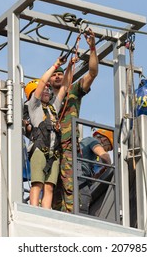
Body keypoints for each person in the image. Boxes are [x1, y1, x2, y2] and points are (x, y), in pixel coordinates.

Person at [51, 28, 99, 213]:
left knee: (69, 183)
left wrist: (92, 47)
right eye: (54, 74)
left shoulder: (73, 92)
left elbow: (92, 72)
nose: (57, 76)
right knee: (52, 185)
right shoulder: (45, 99)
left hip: (68, 145)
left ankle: (69, 214)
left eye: (60, 74)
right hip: (51, 147)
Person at [24, 56, 73, 208]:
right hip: (39, 149)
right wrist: (55, 65)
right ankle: (34, 208)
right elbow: (43, 83)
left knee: (49, 187)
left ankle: (46, 211)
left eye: (47, 90)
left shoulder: (53, 108)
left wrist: (70, 66)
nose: (46, 90)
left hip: (53, 153)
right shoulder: (34, 107)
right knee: (37, 183)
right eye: (42, 89)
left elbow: (65, 87)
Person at [78, 129, 113, 214]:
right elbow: (104, 156)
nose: (106, 150)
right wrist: (109, 165)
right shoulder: (92, 140)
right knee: (82, 210)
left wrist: (101, 172)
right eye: (107, 148)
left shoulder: (89, 154)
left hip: (82, 179)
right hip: (80, 180)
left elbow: (92, 179)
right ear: (104, 140)